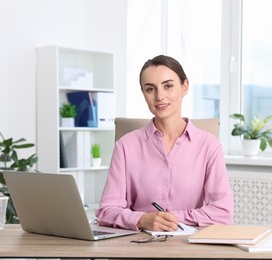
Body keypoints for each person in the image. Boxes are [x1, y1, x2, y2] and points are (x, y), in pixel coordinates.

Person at [96, 55, 233, 232]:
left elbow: (223, 213)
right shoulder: (125, 146)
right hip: (136, 244)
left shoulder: (209, 146)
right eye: (150, 89)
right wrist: (142, 219)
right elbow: (106, 211)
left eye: (168, 86)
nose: (160, 96)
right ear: (144, 94)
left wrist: (171, 219)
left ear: (185, 87)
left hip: (187, 245)